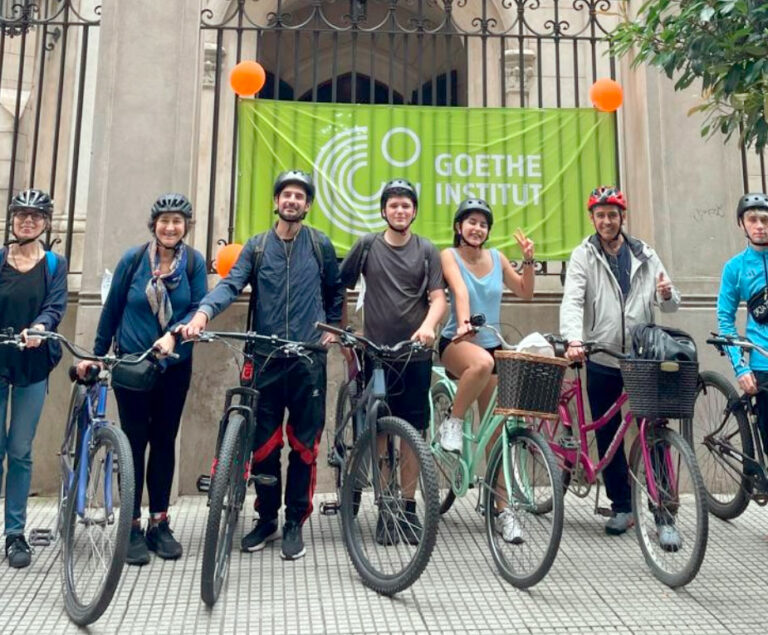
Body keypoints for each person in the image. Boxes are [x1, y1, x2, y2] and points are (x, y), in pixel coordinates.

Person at [182, 170, 343, 561]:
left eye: (299, 196)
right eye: (286, 195)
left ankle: (294, 524)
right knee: (264, 446)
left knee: (305, 447)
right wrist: (203, 313)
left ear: (307, 205)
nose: (292, 201)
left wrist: (334, 329)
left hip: (307, 361)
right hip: (265, 358)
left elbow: (336, 290)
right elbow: (229, 285)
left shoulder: (320, 245)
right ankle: (267, 518)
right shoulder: (255, 248)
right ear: (276, 202)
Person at [77, 193, 207, 566]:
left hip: (174, 368)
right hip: (132, 368)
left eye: (178, 221)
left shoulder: (193, 264)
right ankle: (131, 526)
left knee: (164, 442)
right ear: (154, 225)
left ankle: (159, 523)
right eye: (164, 220)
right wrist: (97, 357)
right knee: (133, 443)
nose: (170, 227)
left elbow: (199, 309)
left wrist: (177, 336)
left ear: (186, 228)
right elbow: (112, 310)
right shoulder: (133, 261)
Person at [559, 185, 681, 543]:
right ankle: (622, 506)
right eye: (601, 215)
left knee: (653, 431)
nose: (607, 221)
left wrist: (667, 295)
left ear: (621, 218)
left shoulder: (643, 252)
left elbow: (672, 303)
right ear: (592, 218)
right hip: (602, 354)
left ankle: (663, 513)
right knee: (608, 432)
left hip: (643, 356)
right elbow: (573, 301)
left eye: (613, 214)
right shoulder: (584, 254)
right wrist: (573, 339)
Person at [339, 178, 446, 545]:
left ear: (414, 211)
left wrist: (429, 327)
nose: (400, 210)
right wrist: (342, 333)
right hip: (376, 355)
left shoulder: (428, 250)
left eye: (406, 205)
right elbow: (342, 285)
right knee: (382, 432)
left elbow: (438, 298)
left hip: (415, 356)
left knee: (413, 434)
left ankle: (408, 507)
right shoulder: (367, 246)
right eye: (394, 204)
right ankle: (385, 508)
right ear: (384, 210)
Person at [436, 198, 535, 543]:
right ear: (458, 227)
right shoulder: (449, 256)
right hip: (458, 342)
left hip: (492, 342)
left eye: (482, 223)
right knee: (481, 362)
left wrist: (528, 261)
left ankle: (502, 509)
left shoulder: (497, 259)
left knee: (499, 433)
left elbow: (525, 291)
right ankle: (453, 420)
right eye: (470, 222)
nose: (476, 228)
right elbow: (459, 291)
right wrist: (463, 323)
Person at [0, 189, 67, 568]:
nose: (28, 221)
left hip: (32, 365)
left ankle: (14, 533)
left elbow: (55, 306)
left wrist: (41, 327)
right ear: (13, 220)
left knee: (20, 451)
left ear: (45, 223)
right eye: (22, 215)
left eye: (36, 216)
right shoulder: (0, 260)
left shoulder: (54, 264)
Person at [717, 192, 768, 455]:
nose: (760, 226)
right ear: (742, 224)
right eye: (753, 219)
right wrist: (740, 368)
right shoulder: (734, 268)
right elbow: (725, 319)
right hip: (761, 364)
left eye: (765, 220)